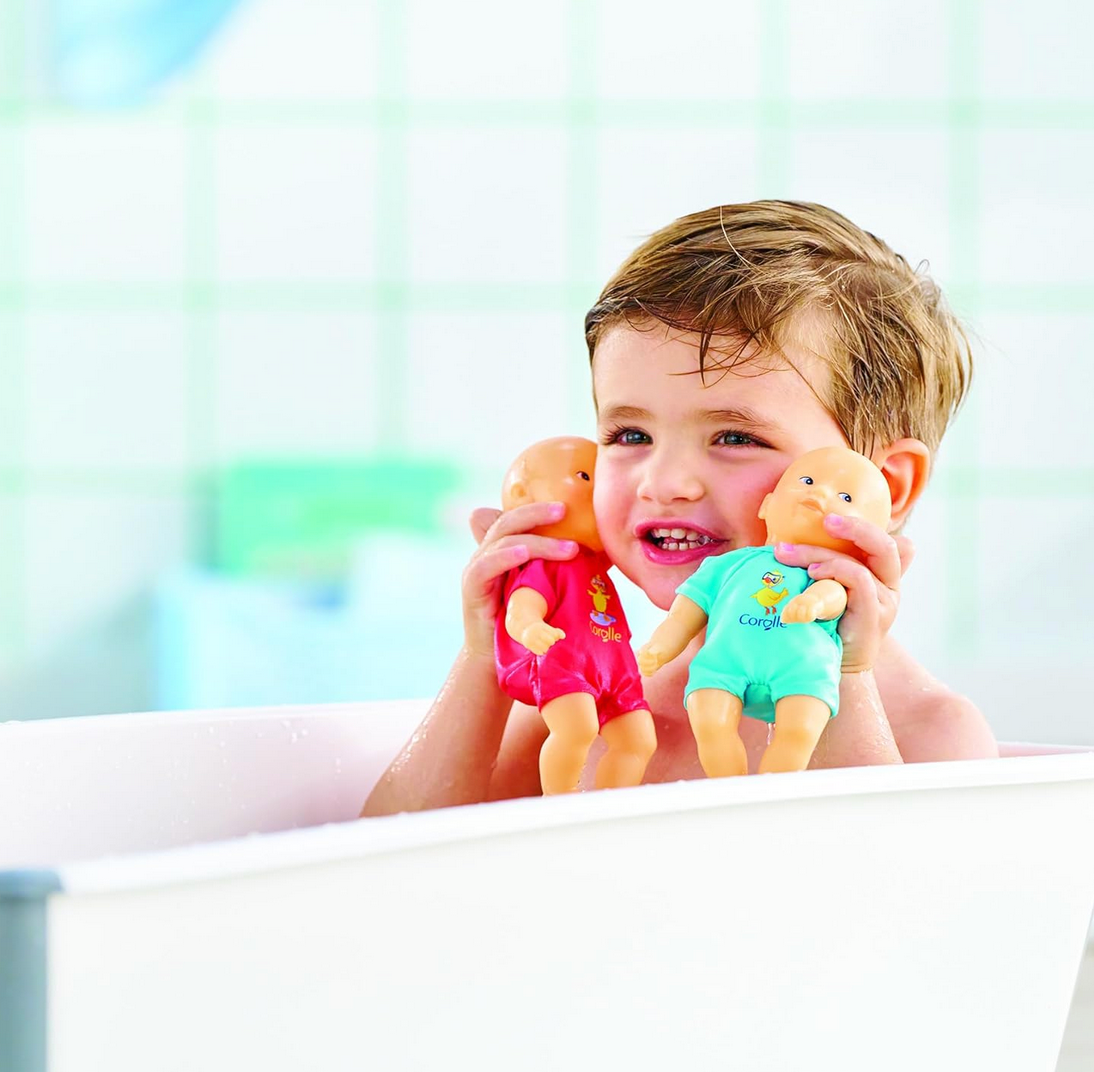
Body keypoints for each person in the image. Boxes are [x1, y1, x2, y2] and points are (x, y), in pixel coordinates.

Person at [362, 200, 998, 817]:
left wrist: (847, 674)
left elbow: (875, 875)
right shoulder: (595, 702)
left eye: (736, 438)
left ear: (885, 485)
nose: (664, 484)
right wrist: (484, 655)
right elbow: (389, 857)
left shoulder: (931, 734)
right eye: (630, 434)